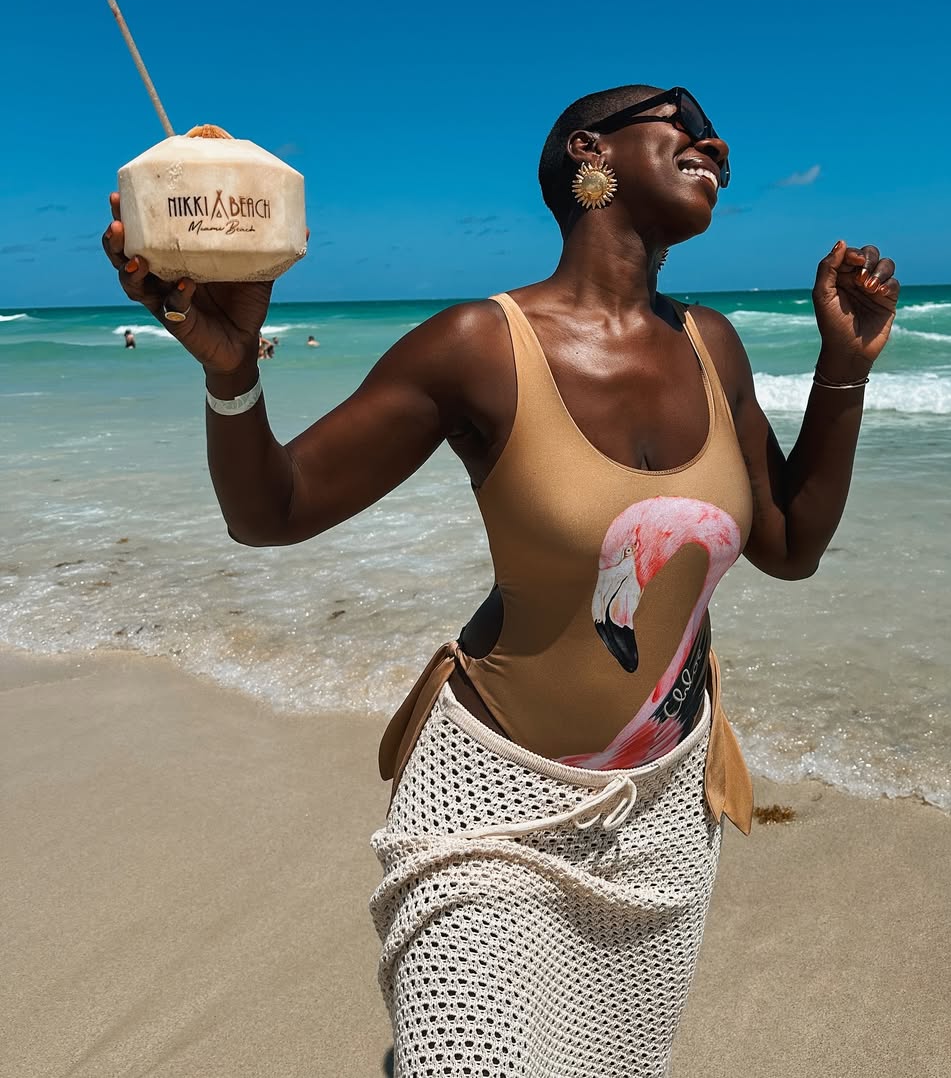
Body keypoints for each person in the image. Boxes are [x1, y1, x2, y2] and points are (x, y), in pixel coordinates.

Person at [102, 84, 899, 1078]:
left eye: (716, 137)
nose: (716, 142)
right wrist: (232, 374)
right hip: (490, 808)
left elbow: (790, 545)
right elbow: (273, 511)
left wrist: (843, 367)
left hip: (665, 813)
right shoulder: (480, 345)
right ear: (590, 151)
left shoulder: (713, 345)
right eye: (684, 118)